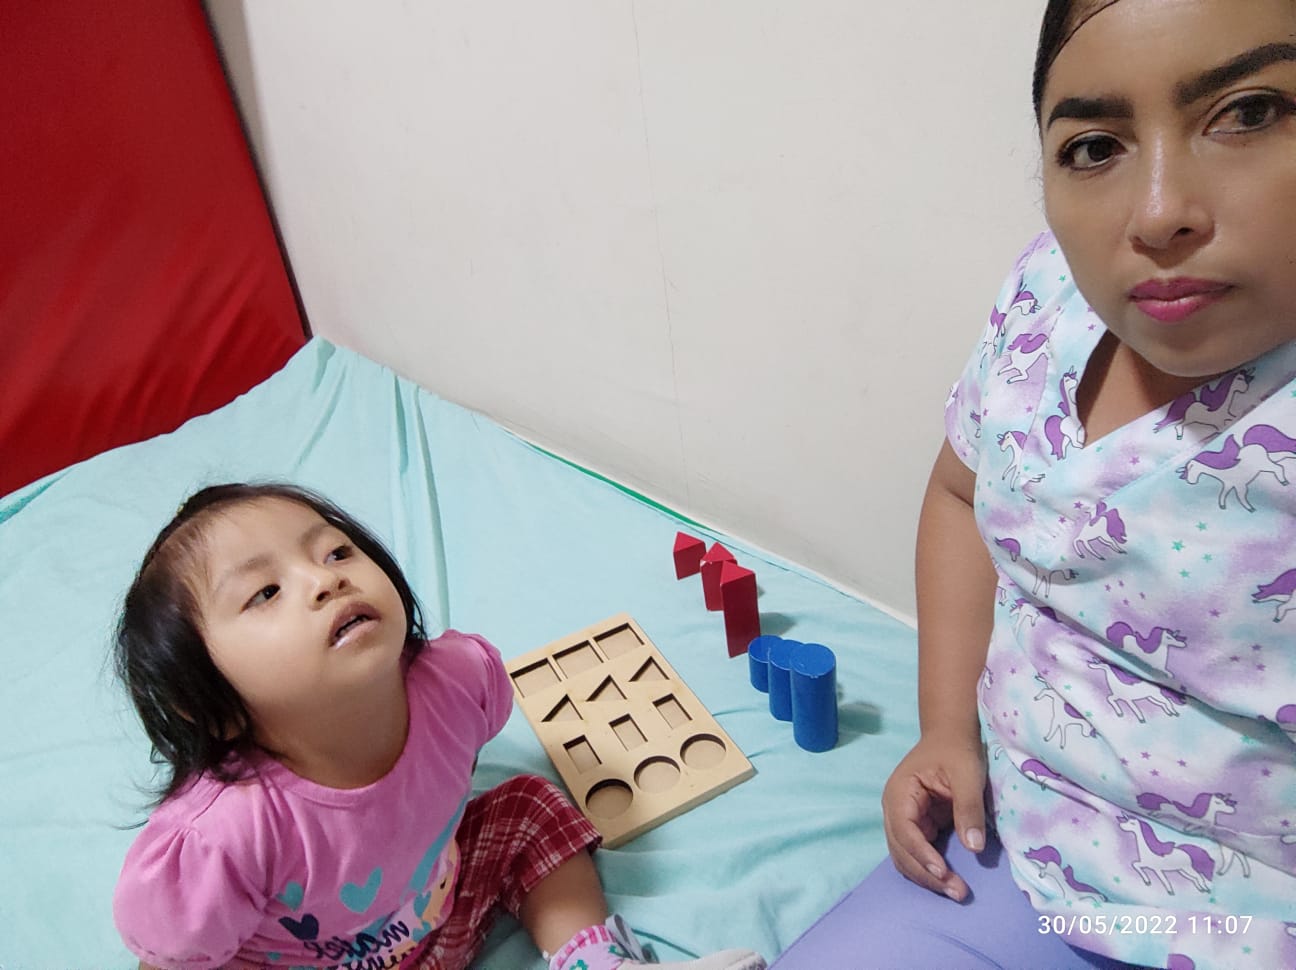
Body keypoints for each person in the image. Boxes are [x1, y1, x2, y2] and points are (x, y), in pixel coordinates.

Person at [791, 1, 1296, 968]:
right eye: (1096, 146)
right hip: (1015, 848)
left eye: (1248, 112)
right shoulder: (1046, 299)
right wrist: (946, 731)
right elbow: (958, 495)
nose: (1159, 212)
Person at [111, 482, 766, 970]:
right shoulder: (220, 837)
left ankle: (598, 963)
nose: (323, 580)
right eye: (265, 592)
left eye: (336, 552)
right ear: (213, 706)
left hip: (439, 915)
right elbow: (168, 960)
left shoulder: (455, 684)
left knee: (528, 808)